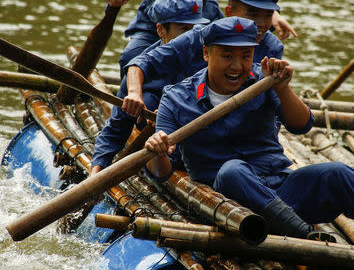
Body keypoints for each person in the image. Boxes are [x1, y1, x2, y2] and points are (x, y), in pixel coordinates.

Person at [144, 16, 354, 239]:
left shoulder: (264, 79)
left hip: (282, 191)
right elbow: (161, 172)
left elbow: (301, 126)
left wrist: (282, 88)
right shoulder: (175, 98)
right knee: (232, 171)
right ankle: (304, 235)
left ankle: (287, 221)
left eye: (245, 56)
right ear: (206, 53)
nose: (237, 66)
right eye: (227, 56)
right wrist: (156, 150)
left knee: (337, 172)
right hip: (231, 204)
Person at [122, 0, 285, 119]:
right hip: (194, 112)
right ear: (229, 13)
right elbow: (142, 62)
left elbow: (269, 99)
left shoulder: (273, 47)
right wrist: (137, 95)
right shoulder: (202, 35)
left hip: (241, 118)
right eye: (253, 14)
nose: (261, 24)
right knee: (130, 59)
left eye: (268, 15)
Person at [91, 0, 211, 175]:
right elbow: (115, 130)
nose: (193, 37)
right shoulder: (138, 69)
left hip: (203, 148)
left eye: (197, 29)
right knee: (146, 99)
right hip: (162, 156)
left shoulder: (210, 58)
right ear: (161, 30)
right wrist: (96, 171)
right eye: (185, 29)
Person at [104, 0, 297, 78]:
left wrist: (273, 16)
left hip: (201, 18)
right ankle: (131, 113)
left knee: (204, 63)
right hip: (156, 17)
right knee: (130, 57)